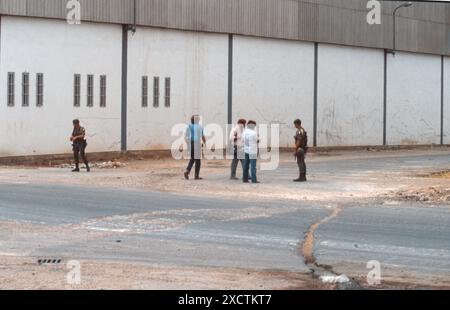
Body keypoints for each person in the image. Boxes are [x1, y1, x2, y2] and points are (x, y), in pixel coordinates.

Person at [184, 115, 206, 180]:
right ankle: (196, 176)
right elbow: (202, 136)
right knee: (198, 160)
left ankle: (187, 171)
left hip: (191, 143)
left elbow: (186, 136)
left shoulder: (189, 126)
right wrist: (205, 143)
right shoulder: (200, 127)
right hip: (197, 144)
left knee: (192, 159)